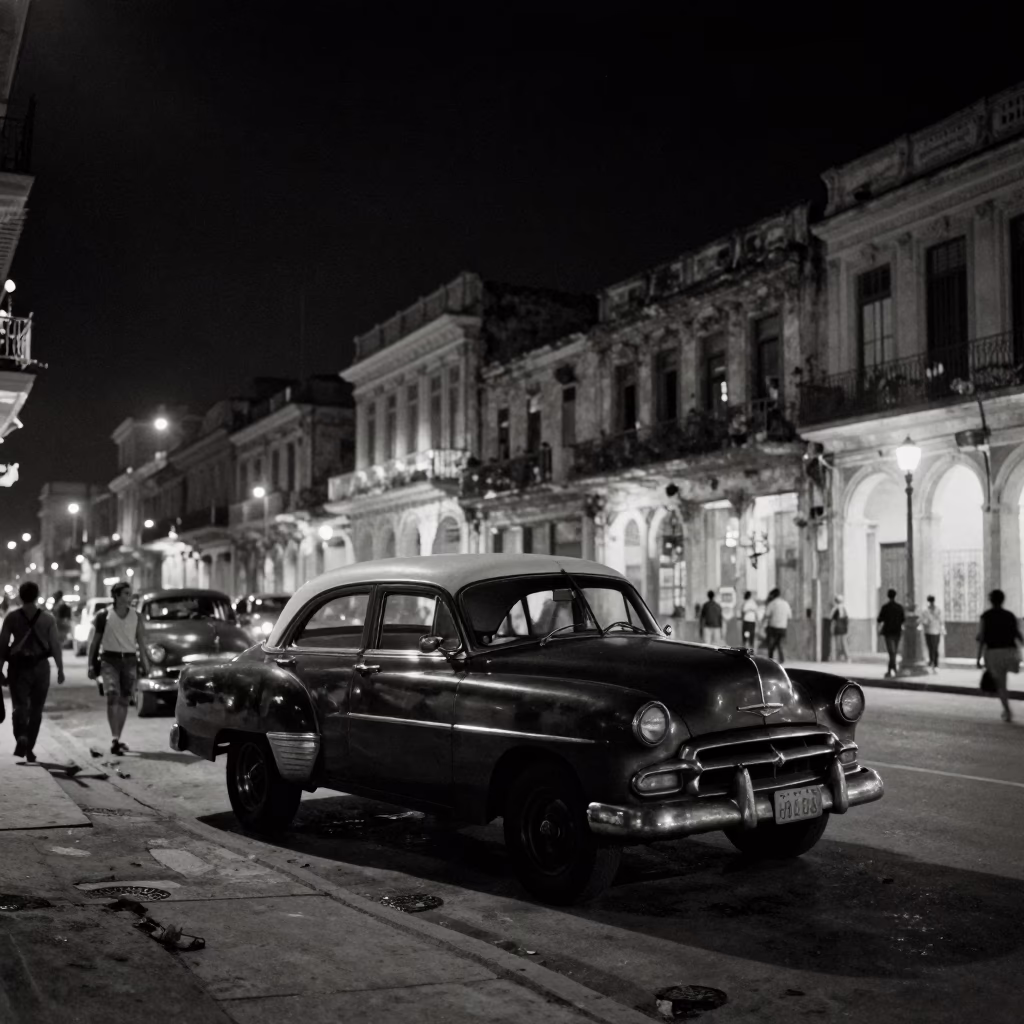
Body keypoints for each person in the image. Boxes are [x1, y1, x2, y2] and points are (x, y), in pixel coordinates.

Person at [0, 581, 65, 760]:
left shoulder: (12, 618)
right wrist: (60, 668)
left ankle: (21, 735)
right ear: (37, 596)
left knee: (19, 705)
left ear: (20, 596)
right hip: (41, 667)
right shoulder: (48, 618)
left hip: (18, 668)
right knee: (36, 709)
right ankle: (29, 747)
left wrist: (0, 670)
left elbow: (2, 646)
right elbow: (55, 645)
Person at [87, 581, 152, 755]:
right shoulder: (104, 615)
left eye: (130, 594)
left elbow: (141, 641)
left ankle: (117, 737)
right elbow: (94, 642)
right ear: (116, 596)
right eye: (126, 594)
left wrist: (145, 662)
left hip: (129, 660)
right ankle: (114, 737)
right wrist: (90, 664)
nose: (129, 597)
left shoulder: (137, 617)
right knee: (112, 695)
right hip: (109, 660)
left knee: (124, 699)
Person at [976, 589, 1022, 723]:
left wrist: (978, 658)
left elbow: (982, 638)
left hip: (994, 653)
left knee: (1001, 685)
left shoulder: (986, 616)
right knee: (1003, 681)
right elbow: (1017, 634)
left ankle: (1007, 711)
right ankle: (1006, 709)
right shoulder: (1010, 615)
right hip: (1010, 652)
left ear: (991, 600)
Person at [877, 588, 905, 678]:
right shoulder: (899, 607)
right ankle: (893, 669)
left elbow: (879, 619)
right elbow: (903, 619)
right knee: (894, 651)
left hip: (888, 632)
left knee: (891, 652)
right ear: (895, 596)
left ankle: (891, 670)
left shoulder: (885, 607)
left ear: (888, 596)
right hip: (897, 632)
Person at [764, 587, 793, 663]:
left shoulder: (772, 603)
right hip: (783, 627)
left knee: (771, 645)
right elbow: (789, 616)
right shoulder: (786, 604)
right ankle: (782, 659)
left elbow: (766, 615)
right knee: (780, 644)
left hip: (773, 627)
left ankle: (770, 660)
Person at [920, 595, 945, 674]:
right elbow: (925, 621)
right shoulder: (927, 611)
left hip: (934, 631)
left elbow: (941, 620)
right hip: (930, 631)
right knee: (932, 648)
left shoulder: (936, 610)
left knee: (933, 648)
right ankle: (933, 663)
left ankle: (934, 663)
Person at [830, 595, 849, 662]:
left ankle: (837, 657)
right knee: (844, 643)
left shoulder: (835, 609)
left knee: (837, 644)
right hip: (843, 629)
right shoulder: (844, 609)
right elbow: (846, 620)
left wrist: (832, 628)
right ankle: (846, 657)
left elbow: (834, 620)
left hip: (837, 629)